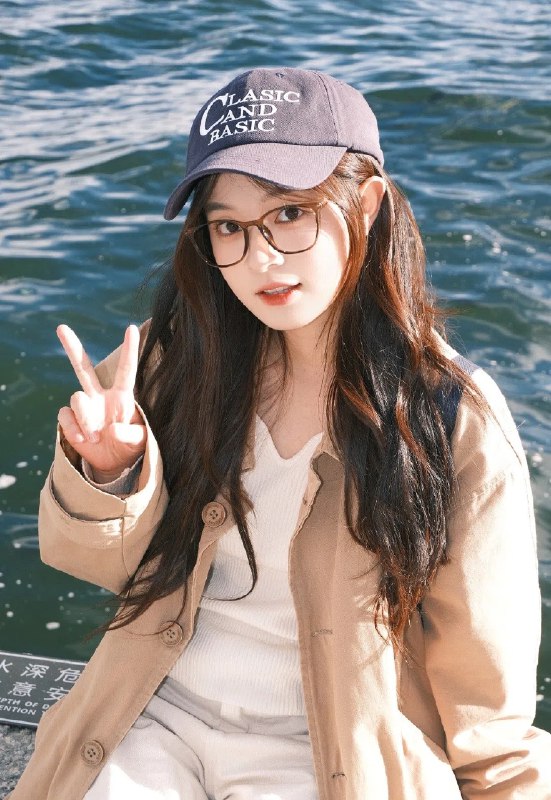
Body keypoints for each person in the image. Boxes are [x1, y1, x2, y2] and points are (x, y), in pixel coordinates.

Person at [10, 67, 551, 800]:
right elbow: (99, 565)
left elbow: (488, 704)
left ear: (366, 205)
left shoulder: (450, 416)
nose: (260, 257)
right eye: (228, 226)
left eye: (289, 213)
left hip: (322, 751)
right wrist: (111, 475)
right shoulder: (171, 361)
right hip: (155, 715)